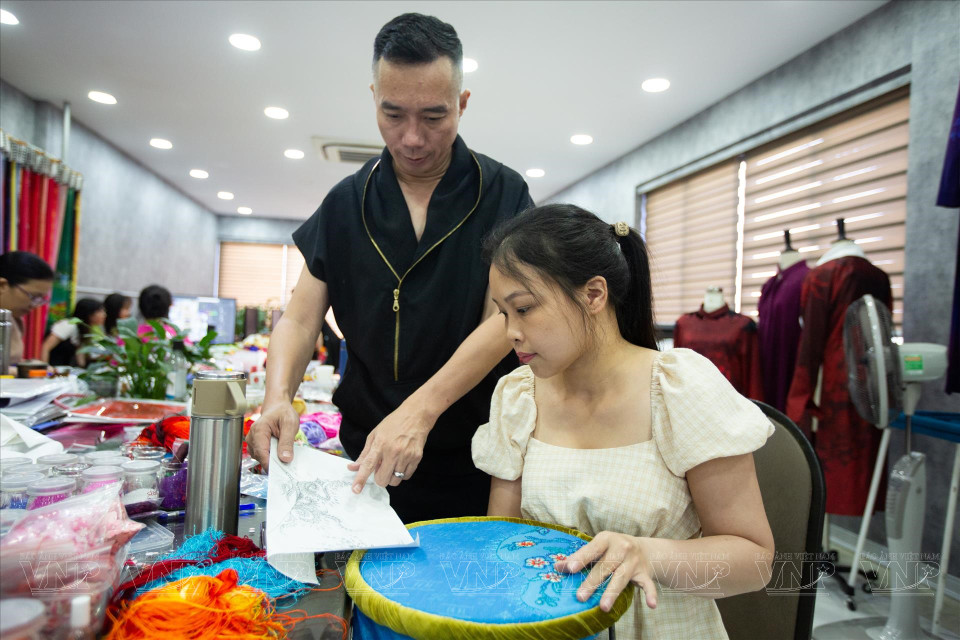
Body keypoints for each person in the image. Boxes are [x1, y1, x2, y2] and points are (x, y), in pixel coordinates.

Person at [246, 13, 532, 523]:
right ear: (374, 96)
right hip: (365, 463)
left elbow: (504, 322)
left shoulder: (504, 194)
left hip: (476, 462)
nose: (413, 138)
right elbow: (299, 318)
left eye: (434, 116)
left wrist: (419, 412)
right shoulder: (345, 203)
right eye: (393, 114)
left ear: (463, 105)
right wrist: (277, 398)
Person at [472, 204, 775, 639]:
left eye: (524, 309)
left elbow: (755, 561)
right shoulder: (518, 397)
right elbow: (505, 543)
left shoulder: (678, 389)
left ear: (594, 295)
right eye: (503, 314)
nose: (511, 333)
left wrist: (648, 555)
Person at [0, 251, 55, 367]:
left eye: (41, 299)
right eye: (33, 296)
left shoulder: (15, 319)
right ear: (3, 285)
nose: (34, 305)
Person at [40, 297, 106, 367]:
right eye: (100, 311)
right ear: (89, 314)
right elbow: (45, 347)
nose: (104, 315)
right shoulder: (69, 325)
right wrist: (45, 368)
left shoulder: (84, 330)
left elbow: (81, 361)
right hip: (52, 370)